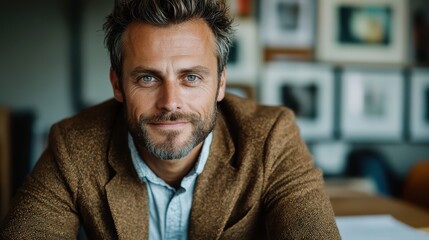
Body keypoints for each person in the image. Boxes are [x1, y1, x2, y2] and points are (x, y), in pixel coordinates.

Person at [0, 0, 340, 239]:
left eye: (191, 77)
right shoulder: (73, 144)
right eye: (147, 78)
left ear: (220, 83)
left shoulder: (271, 135)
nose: (170, 103)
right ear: (118, 84)